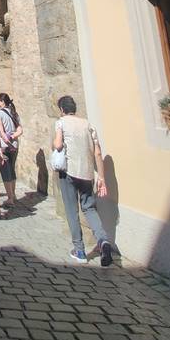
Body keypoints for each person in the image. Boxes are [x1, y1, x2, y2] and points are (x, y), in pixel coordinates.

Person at [53, 95, 112, 267]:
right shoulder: (87, 124)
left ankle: (79, 250)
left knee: (72, 211)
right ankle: (103, 241)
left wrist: (59, 141)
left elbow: (57, 145)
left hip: (69, 172)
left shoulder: (61, 122)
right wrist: (101, 177)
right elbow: (98, 152)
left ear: (62, 109)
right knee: (89, 209)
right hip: (87, 173)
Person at [0, 93, 22, 206]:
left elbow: (1, 131)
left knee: (5, 172)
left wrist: (7, 141)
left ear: (2, 101)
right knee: (12, 170)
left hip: (5, 146)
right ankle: (13, 195)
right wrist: (13, 137)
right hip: (15, 145)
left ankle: (10, 198)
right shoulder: (14, 113)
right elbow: (20, 130)